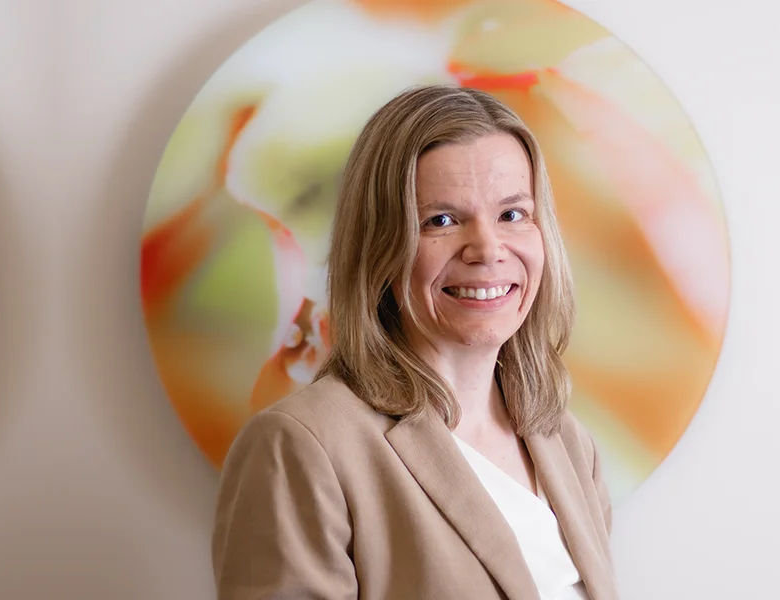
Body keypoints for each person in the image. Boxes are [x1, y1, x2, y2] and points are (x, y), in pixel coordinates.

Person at [211, 84, 619, 600]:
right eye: (442, 220)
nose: (488, 249)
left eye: (512, 214)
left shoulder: (564, 439)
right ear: (381, 245)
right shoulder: (302, 446)